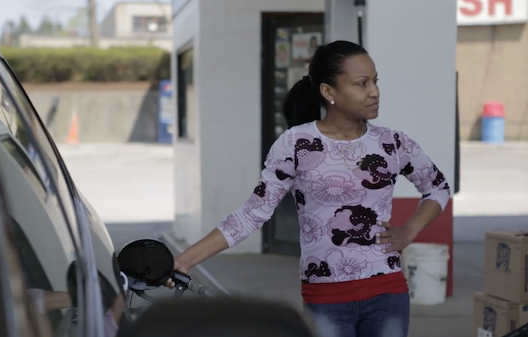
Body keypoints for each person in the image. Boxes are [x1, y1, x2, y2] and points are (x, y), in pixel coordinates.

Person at [166, 40, 450, 337]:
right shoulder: (295, 144)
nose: (374, 91)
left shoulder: (392, 143)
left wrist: (409, 231)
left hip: (387, 293)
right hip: (326, 298)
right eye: (361, 83)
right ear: (329, 92)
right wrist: (184, 260)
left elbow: (438, 187)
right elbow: (252, 214)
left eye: (375, 81)